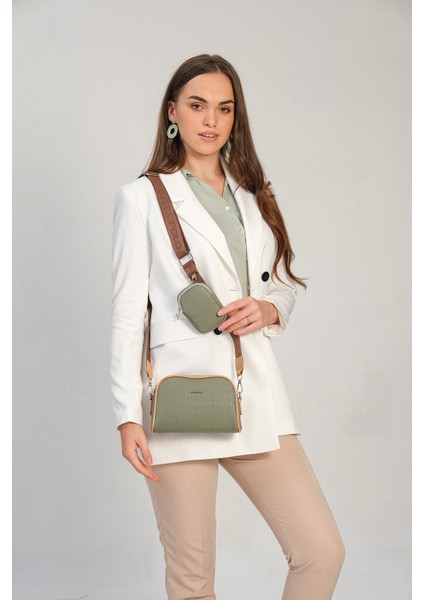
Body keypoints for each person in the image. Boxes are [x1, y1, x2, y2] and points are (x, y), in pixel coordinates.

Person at [110, 54, 345, 600]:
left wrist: (270, 310)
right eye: (197, 105)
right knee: (193, 581)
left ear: (236, 117)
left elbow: (282, 284)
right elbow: (127, 312)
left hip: (254, 388)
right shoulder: (141, 197)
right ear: (173, 112)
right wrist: (126, 416)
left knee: (321, 551)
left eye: (224, 108)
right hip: (178, 399)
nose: (211, 120)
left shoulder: (254, 196)